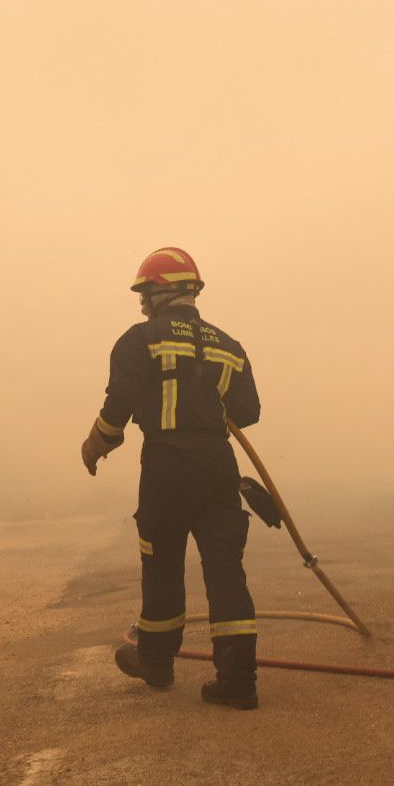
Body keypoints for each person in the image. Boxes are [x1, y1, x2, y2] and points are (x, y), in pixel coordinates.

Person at [80, 246, 263, 710]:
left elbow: (118, 403)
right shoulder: (229, 345)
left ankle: (157, 664)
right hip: (218, 466)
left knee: (161, 564)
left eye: (145, 291)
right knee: (226, 571)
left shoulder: (140, 340)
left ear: (166, 291)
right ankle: (238, 683)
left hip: (165, 466)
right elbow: (248, 412)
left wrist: (97, 442)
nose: (142, 302)